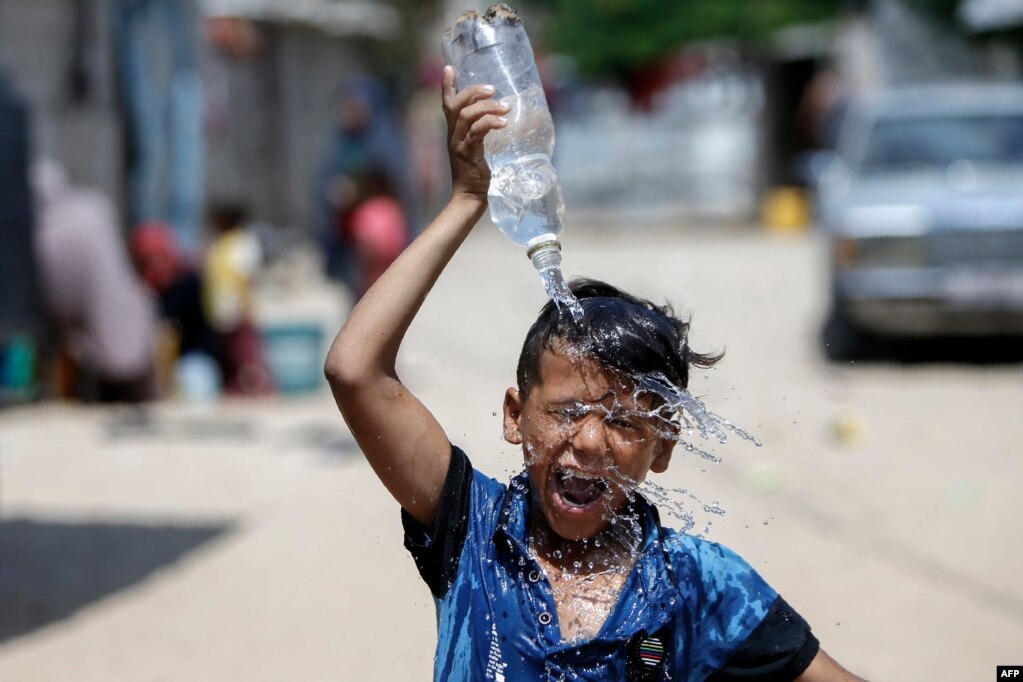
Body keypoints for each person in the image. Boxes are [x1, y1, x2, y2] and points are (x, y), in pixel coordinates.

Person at [324, 67, 864, 681]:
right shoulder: (470, 533)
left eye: (624, 422)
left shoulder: (700, 588)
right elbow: (354, 370)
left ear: (662, 448)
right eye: (565, 411)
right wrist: (467, 201)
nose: (587, 441)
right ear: (513, 415)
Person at [32, 160, 157, 403]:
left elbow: (56, 298)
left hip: (83, 337)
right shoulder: (96, 207)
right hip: (126, 326)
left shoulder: (42, 232)